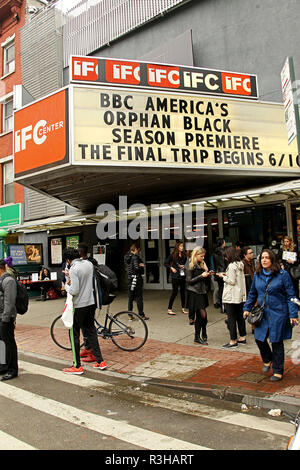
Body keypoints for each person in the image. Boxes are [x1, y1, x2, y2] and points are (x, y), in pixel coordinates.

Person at [243, 249, 299, 382]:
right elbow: (252, 293)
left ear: (272, 260)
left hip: (279, 313)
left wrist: (293, 314)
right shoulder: (257, 275)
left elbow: (291, 296)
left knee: (276, 341)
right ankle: (267, 359)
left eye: (267, 258)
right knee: (259, 338)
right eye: (262, 257)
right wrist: (247, 308)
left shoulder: (283, 274)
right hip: (262, 313)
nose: (264, 260)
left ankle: (278, 370)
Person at [62, 248, 106, 374]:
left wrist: (67, 284)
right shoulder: (88, 264)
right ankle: (100, 361)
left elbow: (74, 290)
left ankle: (77, 366)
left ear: (67, 260)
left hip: (79, 305)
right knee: (91, 331)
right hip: (90, 302)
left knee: (74, 334)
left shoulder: (73, 268)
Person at [216, 246, 247, 349]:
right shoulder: (240, 264)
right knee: (240, 317)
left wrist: (223, 277)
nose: (225, 258)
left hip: (231, 296)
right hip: (239, 295)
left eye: (225, 256)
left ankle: (233, 340)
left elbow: (231, 281)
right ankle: (242, 337)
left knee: (231, 318)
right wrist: (227, 275)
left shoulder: (231, 266)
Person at [77, 242, 100, 362]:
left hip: (88, 299)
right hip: (89, 298)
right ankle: (87, 347)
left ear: (81, 252)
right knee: (85, 326)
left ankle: (93, 352)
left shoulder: (87, 264)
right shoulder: (90, 262)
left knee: (88, 327)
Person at [186, 247, 213, 345]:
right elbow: (189, 281)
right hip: (195, 293)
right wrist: (202, 276)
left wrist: (207, 273)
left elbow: (203, 279)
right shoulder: (190, 265)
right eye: (201, 256)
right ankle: (197, 337)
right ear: (196, 255)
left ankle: (203, 332)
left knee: (203, 316)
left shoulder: (201, 264)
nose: (203, 258)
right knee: (202, 315)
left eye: (204, 256)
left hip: (202, 291)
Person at [0, 259, 18, 381]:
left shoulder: (9, 280)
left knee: (9, 344)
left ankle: (12, 369)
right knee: (1, 343)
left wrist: (5, 318)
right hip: (1, 317)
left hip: (6, 318)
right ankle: (3, 366)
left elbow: (9, 302)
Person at [124, 244, 149, 320]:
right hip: (137, 279)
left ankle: (130, 315)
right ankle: (141, 314)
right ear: (135, 250)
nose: (138, 251)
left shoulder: (126, 257)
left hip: (130, 279)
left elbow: (128, 267)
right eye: (138, 250)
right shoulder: (135, 257)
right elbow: (137, 268)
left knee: (130, 297)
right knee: (139, 297)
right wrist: (141, 266)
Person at [164, 241, 187, 315]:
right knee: (175, 292)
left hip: (182, 275)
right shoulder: (172, 255)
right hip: (175, 276)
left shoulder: (184, 255)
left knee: (183, 292)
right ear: (177, 247)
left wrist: (183, 266)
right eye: (181, 246)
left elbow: (185, 263)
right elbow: (165, 263)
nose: (182, 247)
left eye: (182, 246)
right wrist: (171, 268)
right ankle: (169, 309)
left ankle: (183, 308)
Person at [242, 246, 256, 334]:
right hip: (247, 288)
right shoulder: (242, 264)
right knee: (248, 308)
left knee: (255, 308)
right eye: (250, 253)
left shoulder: (253, 262)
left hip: (253, 286)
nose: (252, 254)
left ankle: (254, 327)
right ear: (245, 255)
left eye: (252, 252)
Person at [213, 238, 226, 312]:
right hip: (223, 273)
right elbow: (223, 264)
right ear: (222, 243)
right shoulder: (223, 252)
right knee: (225, 291)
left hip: (218, 273)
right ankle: (225, 307)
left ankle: (222, 307)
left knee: (221, 290)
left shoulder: (215, 252)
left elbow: (215, 265)